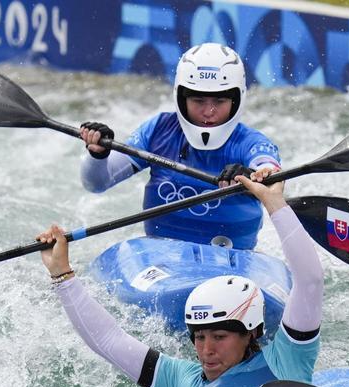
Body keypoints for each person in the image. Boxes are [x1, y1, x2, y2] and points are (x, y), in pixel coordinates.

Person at [37, 174, 321, 387]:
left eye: (219, 336)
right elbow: (109, 340)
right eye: (199, 337)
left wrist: (273, 202)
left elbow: (310, 280)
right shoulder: (182, 380)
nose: (206, 350)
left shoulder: (284, 362)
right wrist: (62, 274)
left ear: (251, 333)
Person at [79, 42, 281, 251]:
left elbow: (270, 173)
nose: (208, 111)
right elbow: (96, 183)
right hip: (162, 258)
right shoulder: (159, 130)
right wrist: (98, 154)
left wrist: (252, 176)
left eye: (220, 100)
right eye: (198, 99)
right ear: (181, 97)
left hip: (233, 262)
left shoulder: (251, 142)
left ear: (237, 99)